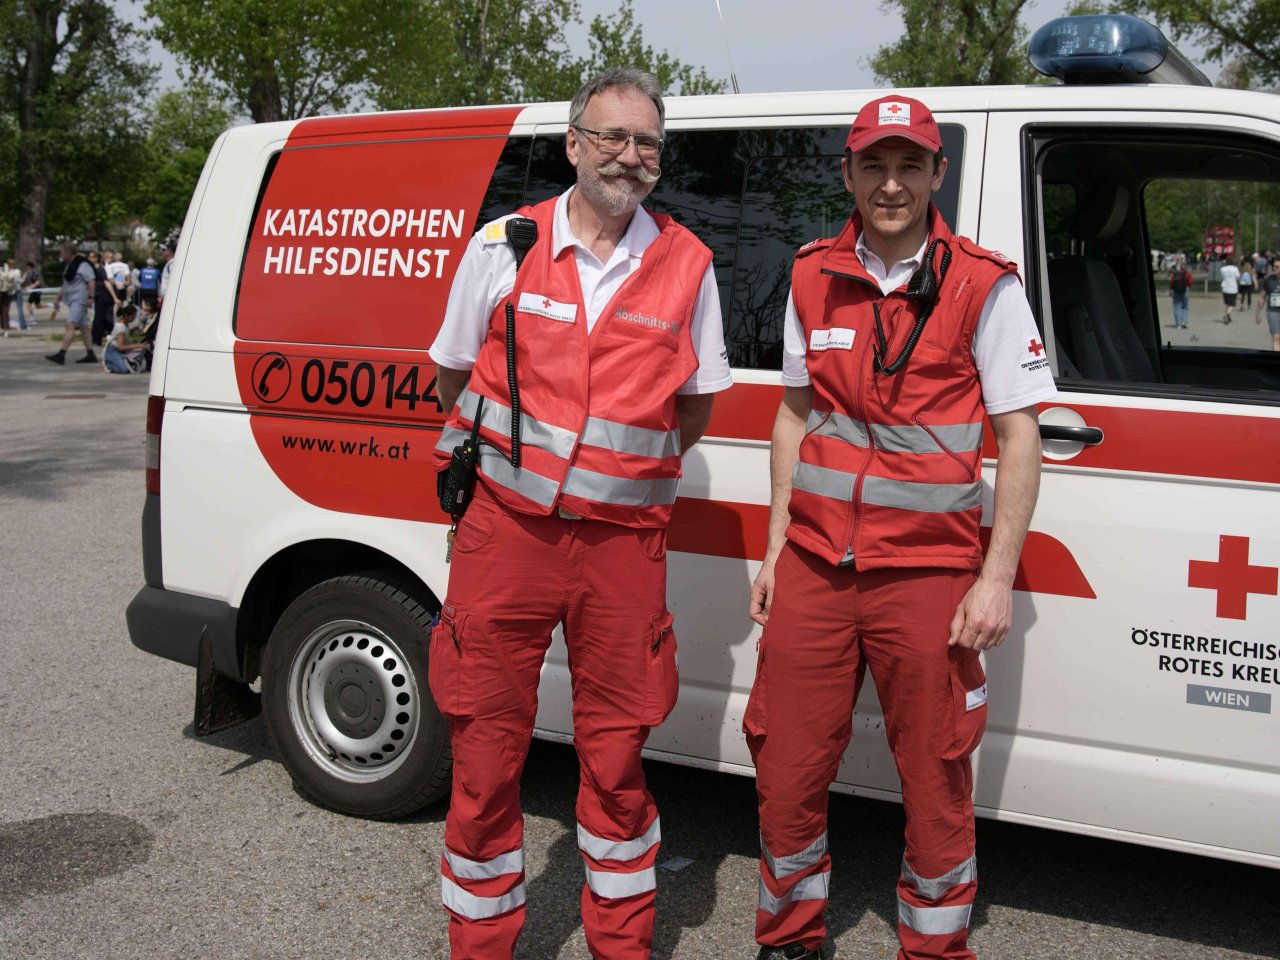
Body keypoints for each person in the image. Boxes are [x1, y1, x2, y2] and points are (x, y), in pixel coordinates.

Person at [426, 67, 732, 960]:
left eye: (647, 143)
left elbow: (695, 406)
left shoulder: (689, 264)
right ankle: (480, 947)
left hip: (621, 549)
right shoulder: (502, 246)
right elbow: (454, 375)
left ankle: (621, 945)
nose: (630, 158)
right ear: (573, 144)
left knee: (616, 764)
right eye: (612, 138)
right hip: (505, 535)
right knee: (483, 758)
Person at [743, 95, 1056, 960]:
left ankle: (934, 948)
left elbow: (1019, 434)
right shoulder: (812, 273)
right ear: (847, 173)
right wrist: (775, 546)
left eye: (909, 165)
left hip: (927, 576)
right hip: (814, 565)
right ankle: (791, 937)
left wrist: (994, 577)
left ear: (936, 174)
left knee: (936, 777)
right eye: (873, 165)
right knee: (788, 766)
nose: (891, 184)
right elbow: (793, 417)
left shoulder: (983, 283)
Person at [46, 242, 98, 365]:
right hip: (72, 299)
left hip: (79, 300)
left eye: (62, 252)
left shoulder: (83, 265)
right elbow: (66, 284)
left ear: (69, 253)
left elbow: (91, 281)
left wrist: (91, 296)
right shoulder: (70, 266)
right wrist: (58, 298)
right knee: (84, 328)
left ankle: (61, 354)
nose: (61, 255)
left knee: (70, 325)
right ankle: (90, 354)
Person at [102, 304, 148, 373]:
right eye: (133, 316)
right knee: (124, 369)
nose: (134, 318)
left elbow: (125, 334)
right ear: (127, 316)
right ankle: (109, 364)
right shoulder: (121, 327)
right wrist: (137, 346)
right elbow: (121, 347)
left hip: (119, 351)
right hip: (113, 350)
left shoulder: (125, 324)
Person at [1257, 254, 1280, 352]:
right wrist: (1257, 313)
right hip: (1272, 311)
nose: (1274, 268)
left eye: (1277, 267)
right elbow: (1262, 297)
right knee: (1276, 336)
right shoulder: (1268, 280)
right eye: (1273, 266)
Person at [1169, 259, 1192, 329]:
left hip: (1176, 292)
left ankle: (1178, 324)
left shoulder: (1176, 274)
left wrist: (1170, 290)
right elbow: (1190, 282)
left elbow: (1171, 283)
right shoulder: (1188, 273)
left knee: (1177, 307)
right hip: (1185, 290)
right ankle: (1184, 322)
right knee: (1185, 307)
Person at [0, 258, 20, 331]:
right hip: (6, 290)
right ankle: (5, 326)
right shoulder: (6, 267)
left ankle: (3, 326)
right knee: (5, 309)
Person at [1219, 258, 1240, 324]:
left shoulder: (1222, 269)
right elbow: (1237, 277)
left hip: (1225, 287)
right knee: (1232, 304)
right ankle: (1228, 314)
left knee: (1226, 303)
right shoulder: (1235, 268)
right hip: (1233, 288)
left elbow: (1222, 277)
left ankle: (1227, 315)